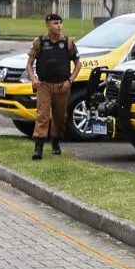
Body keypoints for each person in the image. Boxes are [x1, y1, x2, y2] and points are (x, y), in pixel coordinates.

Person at [26, 13, 81, 160]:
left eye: (60, 23)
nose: (59, 26)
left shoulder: (68, 43)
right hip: (44, 84)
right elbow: (29, 64)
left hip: (62, 85)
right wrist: (33, 79)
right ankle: (38, 148)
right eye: (56, 23)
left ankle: (56, 141)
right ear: (48, 25)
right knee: (42, 115)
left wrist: (70, 81)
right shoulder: (40, 42)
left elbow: (78, 64)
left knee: (60, 117)